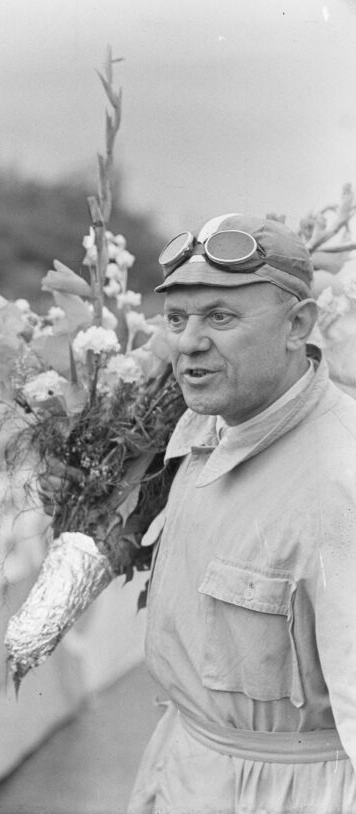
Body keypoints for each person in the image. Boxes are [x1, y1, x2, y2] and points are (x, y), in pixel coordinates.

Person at [127, 213, 356, 813]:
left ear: (298, 324)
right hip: (184, 766)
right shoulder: (203, 428)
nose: (188, 342)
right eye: (177, 319)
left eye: (221, 317)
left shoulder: (342, 476)